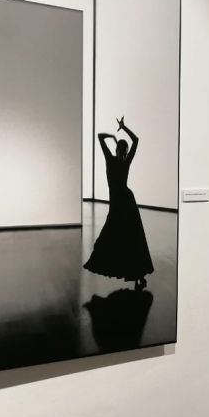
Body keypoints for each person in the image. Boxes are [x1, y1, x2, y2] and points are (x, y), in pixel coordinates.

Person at [83, 118, 154, 289]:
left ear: (117, 149)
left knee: (121, 236)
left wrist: (113, 136)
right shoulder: (124, 161)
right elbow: (136, 140)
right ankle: (138, 274)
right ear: (125, 150)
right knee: (131, 238)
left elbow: (100, 137)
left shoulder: (111, 159)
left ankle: (136, 273)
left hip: (121, 203)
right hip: (125, 202)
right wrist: (123, 128)